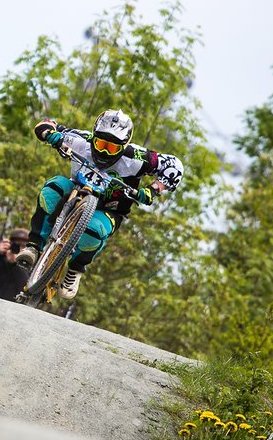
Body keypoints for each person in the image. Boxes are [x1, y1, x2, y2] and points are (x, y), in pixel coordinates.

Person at [15, 109, 184, 299]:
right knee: (52, 188)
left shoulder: (138, 157)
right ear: (93, 137)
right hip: (74, 189)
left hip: (109, 209)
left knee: (95, 230)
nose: (103, 151)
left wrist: (152, 190)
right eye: (101, 144)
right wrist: (50, 135)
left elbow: (174, 166)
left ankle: (75, 270)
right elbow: (45, 124)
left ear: (123, 146)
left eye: (111, 148)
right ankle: (33, 246)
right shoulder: (81, 140)